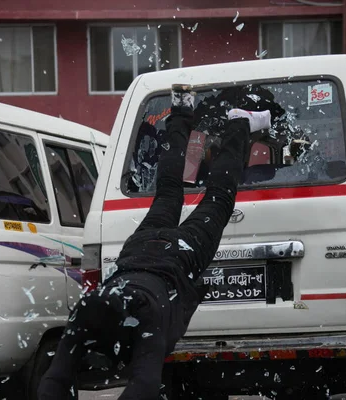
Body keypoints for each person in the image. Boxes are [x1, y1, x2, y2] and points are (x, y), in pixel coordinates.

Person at [37, 84, 272, 400]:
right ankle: (181, 110)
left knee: (219, 196)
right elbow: (55, 383)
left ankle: (240, 122)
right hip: (140, 247)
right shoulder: (86, 308)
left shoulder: (142, 319)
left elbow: (142, 387)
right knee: (169, 190)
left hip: (180, 257)